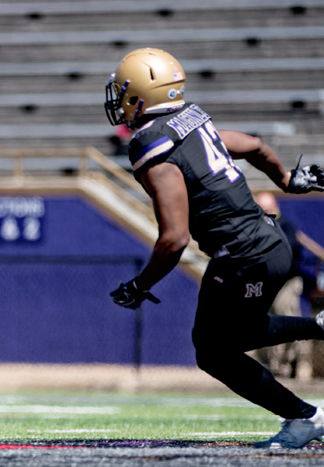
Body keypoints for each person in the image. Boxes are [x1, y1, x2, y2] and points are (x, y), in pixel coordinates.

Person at [104, 47, 324, 449]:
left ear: (139, 97)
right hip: (270, 242)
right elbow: (255, 145)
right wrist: (287, 178)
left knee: (213, 352)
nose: (120, 103)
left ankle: (304, 417)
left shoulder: (150, 144)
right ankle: (319, 329)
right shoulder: (192, 120)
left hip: (241, 256)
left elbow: (174, 238)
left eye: (124, 93)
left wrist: (140, 285)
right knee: (240, 334)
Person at [253, 191, 308, 379]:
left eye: (268, 206)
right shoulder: (254, 227)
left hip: (285, 282)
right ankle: (271, 363)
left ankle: (291, 361)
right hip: (264, 283)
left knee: (289, 319)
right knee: (261, 322)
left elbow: (290, 250)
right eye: (262, 206)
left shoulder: (285, 226)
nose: (266, 210)